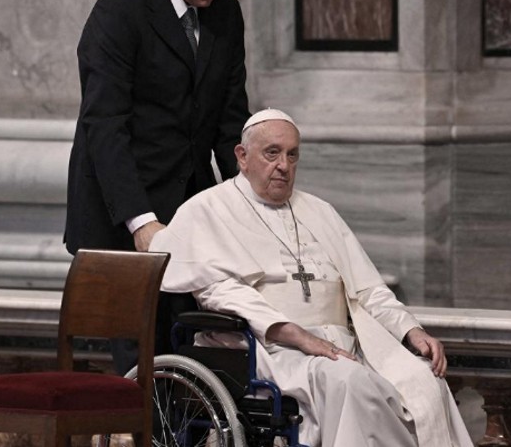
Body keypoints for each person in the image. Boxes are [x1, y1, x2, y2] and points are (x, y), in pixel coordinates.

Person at [150, 109, 474, 447]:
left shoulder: (320, 211)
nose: (284, 166)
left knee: (423, 380)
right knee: (351, 383)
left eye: (292, 155)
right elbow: (221, 293)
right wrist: (300, 337)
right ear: (242, 157)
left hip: (344, 346)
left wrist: (411, 329)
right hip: (270, 350)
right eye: (272, 153)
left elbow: (368, 290)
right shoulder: (208, 210)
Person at [64, 0, 254, 374]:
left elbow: (231, 122)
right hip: (124, 215)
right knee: (142, 361)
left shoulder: (225, 15)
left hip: (193, 209)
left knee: (196, 349)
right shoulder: (120, 10)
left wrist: (252, 202)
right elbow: (104, 126)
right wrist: (141, 221)